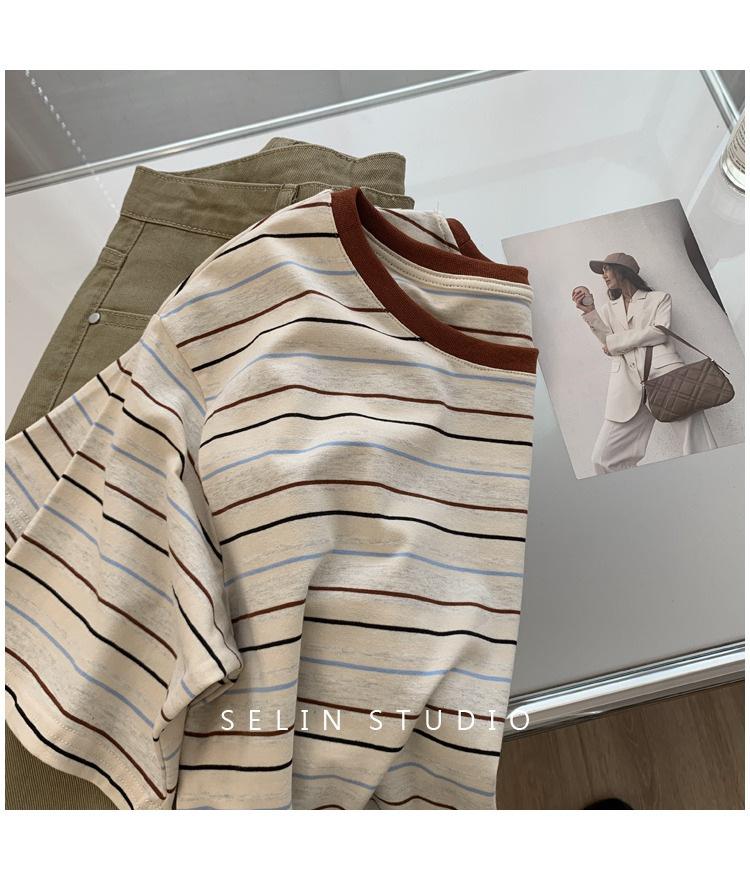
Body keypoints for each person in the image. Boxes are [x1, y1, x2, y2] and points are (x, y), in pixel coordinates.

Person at [573, 252, 717, 474]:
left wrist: (615, 343)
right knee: (604, 459)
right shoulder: (608, 310)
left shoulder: (659, 299)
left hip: (667, 377)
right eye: (602, 271)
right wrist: (591, 311)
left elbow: (659, 332)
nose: (603, 275)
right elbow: (607, 342)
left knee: (698, 446)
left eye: (607, 269)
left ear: (622, 271)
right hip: (627, 385)